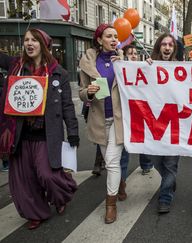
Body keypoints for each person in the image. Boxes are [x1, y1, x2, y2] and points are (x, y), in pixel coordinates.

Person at [0, 28, 79, 230]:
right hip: (20, 135)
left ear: (43, 45)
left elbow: (67, 105)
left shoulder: (58, 72)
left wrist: (72, 132)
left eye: (34, 40)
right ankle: (35, 212)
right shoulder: (16, 67)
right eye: (26, 40)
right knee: (24, 180)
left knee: (48, 175)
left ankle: (62, 196)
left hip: (46, 135)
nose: (29, 43)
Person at [79, 23, 124, 224]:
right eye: (109, 36)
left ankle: (110, 205)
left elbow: (139, 82)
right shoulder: (88, 62)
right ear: (99, 40)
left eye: (116, 36)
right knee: (110, 162)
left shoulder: (122, 59)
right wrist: (87, 92)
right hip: (99, 119)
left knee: (112, 162)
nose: (114, 39)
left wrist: (123, 65)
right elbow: (81, 91)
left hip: (118, 120)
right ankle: (120, 182)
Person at [145, 33, 181, 214]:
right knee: (156, 160)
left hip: (175, 123)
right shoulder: (148, 66)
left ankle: (165, 196)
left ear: (174, 49)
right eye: (164, 44)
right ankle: (170, 180)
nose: (167, 48)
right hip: (154, 123)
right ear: (159, 46)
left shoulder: (181, 68)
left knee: (171, 163)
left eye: (171, 45)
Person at [115, 44, 154, 202]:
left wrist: (152, 67)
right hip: (125, 115)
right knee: (124, 149)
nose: (132, 56)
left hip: (141, 114)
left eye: (135, 54)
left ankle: (146, 165)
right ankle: (121, 182)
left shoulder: (143, 68)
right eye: (129, 53)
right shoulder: (120, 69)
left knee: (142, 143)